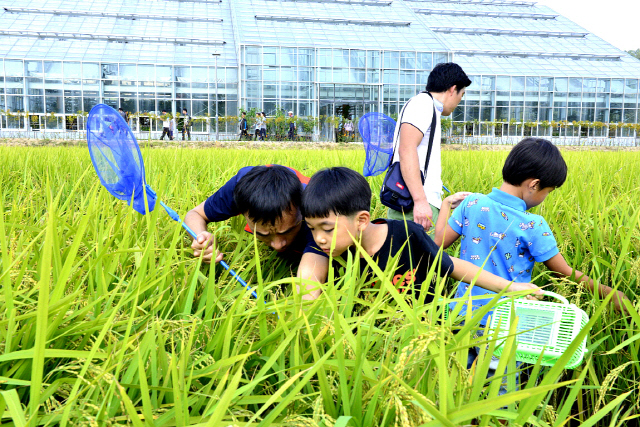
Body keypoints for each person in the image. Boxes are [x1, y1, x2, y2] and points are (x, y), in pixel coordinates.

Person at [434, 137, 630, 321]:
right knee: (500, 359)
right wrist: (609, 293)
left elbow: (438, 245)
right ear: (535, 185)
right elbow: (563, 272)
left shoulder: (471, 203)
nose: (545, 197)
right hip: (507, 323)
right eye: (548, 191)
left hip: (460, 313)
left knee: (462, 358)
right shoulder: (533, 224)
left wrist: (446, 204)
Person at [300, 167, 542, 302]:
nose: (319, 238)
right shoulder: (334, 253)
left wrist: (510, 287)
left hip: (421, 335)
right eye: (311, 229)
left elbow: (452, 266)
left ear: (362, 220)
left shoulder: (406, 235)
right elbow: (306, 293)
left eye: (327, 228)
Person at [184, 165, 329, 288]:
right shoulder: (240, 189)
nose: (278, 246)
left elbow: (310, 276)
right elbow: (195, 214)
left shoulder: (315, 207)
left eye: (288, 231)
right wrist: (201, 238)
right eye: (263, 234)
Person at [387, 62, 472, 234]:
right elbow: (407, 149)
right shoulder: (422, 104)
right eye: (461, 95)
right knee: (419, 260)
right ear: (452, 89)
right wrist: (420, 201)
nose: (458, 102)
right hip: (413, 205)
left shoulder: (429, 107)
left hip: (417, 203)